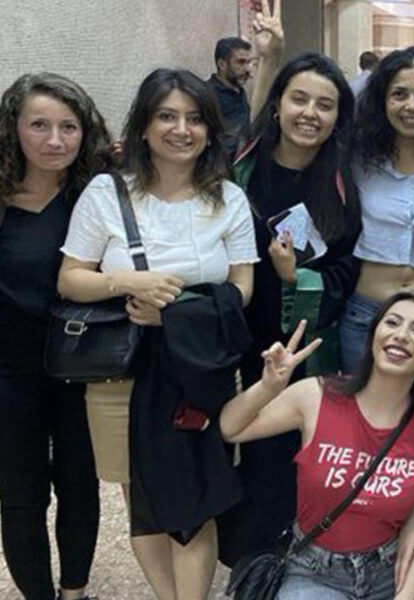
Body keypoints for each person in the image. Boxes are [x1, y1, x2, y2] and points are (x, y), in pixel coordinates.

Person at [58, 68, 258, 600]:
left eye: (195, 119)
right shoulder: (108, 192)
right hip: (120, 370)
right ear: (144, 127)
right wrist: (129, 282)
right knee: (142, 502)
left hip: (198, 370)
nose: (181, 130)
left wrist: (175, 313)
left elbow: (242, 289)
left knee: (195, 496)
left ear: (210, 131)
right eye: (167, 116)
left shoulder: (228, 199)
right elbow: (71, 278)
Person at [224, 50, 364, 564]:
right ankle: (244, 555)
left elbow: (347, 268)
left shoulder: (342, 184)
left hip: (299, 344)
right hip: (231, 332)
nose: (310, 113)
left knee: (284, 455)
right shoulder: (238, 167)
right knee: (226, 448)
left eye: (325, 105)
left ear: (338, 117)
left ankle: (285, 558)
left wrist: (296, 277)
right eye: (299, 99)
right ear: (278, 103)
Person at [221, 294, 414, 600]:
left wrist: (405, 596)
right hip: (315, 572)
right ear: (372, 337)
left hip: (390, 571)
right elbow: (230, 428)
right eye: (392, 323)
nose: (401, 335)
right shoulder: (317, 396)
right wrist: (268, 387)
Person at [0, 72, 111, 600]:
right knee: (20, 492)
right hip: (8, 370)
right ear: (13, 128)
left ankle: (75, 592)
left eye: (68, 127)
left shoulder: (99, 194)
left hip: (82, 362)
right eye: (39, 125)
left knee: (79, 482)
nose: (54, 140)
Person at [343, 45, 414, 372]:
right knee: (360, 402)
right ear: (382, 100)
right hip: (367, 311)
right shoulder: (355, 159)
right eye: (399, 94)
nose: (411, 106)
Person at [206, 36, 253, 161]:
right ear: (222, 64)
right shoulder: (207, 94)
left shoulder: (239, 90)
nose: (248, 69)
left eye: (249, 62)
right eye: (241, 62)